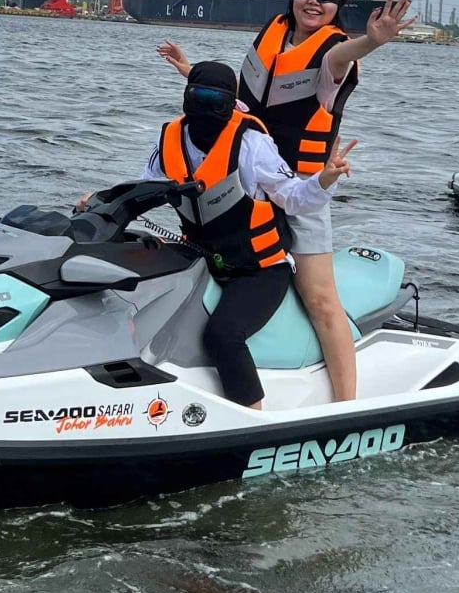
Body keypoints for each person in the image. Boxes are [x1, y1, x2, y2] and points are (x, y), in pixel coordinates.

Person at [156, 0, 415, 402]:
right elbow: (244, 103)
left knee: (319, 299)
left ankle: (346, 406)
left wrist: (372, 41)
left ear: (337, 8)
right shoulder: (271, 37)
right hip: (254, 183)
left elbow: (342, 57)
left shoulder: (331, 52)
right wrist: (191, 73)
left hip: (303, 187)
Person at [80, 61, 355, 410]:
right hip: (202, 257)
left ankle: (252, 419)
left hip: (260, 269)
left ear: (231, 103)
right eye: (199, 97)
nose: (207, 108)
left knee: (223, 336)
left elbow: (294, 198)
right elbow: (144, 191)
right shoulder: (170, 140)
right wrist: (100, 203)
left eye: (216, 100)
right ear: (185, 98)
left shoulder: (253, 145)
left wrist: (324, 179)